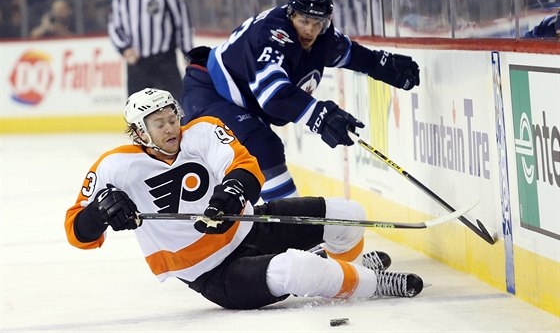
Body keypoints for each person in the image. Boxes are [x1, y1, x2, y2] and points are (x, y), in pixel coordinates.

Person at [64, 88, 423, 310]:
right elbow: (78, 232)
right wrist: (99, 212)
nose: (171, 127)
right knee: (297, 269)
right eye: (159, 123)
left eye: (172, 117)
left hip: (249, 227)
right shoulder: (114, 166)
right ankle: (373, 285)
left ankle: (349, 270)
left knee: (348, 215)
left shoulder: (202, 131)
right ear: (141, 132)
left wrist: (229, 198)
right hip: (213, 273)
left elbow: (245, 168)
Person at [180, 0, 420, 202]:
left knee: (260, 149)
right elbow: (273, 96)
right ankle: (295, 231)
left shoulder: (321, 35)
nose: (310, 30)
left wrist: (384, 64)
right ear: (290, 13)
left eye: (317, 23)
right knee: (262, 148)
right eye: (303, 21)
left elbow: (350, 55)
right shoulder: (274, 35)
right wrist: (322, 117)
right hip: (209, 92)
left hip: (237, 99)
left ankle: (284, 227)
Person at [108, 0, 193, 99]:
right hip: (137, 65)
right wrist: (125, 49)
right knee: (138, 112)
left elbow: (183, 23)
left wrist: (188, 53)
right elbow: (114, 27)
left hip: (165, 61)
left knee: (175, 107)